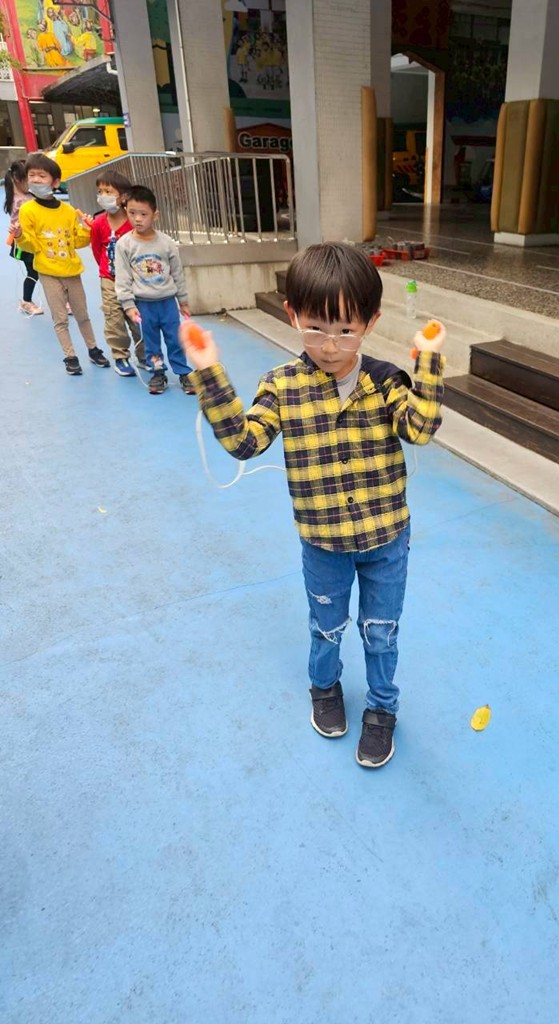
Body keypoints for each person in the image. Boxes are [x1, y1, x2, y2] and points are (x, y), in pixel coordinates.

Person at [181, 242, 446, 768]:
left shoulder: (385, 381)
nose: (329, 344)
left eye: (346, 330)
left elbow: (419, 429)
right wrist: (209, 372)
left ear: (370, 322)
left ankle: (382, 709)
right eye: (316, 328)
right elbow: (244, 443)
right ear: (293, 315)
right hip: (323, 544)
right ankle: (324, 689)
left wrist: (430, 363)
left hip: (386, 540)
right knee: (326, 627)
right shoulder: (282, 386)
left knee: (382, 632)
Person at [13, 152, 109, 375]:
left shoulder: (68, 210)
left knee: (82, 314)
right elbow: (31, 245)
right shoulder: (28, 210)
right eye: (32, 175)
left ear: (55, 182)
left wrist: (88, 228)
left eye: (42, 176)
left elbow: (77, 241)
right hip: (48, 273)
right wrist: (19, 236)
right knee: (60, 318)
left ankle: (93, 349)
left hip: (72, 271)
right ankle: (70, 356)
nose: (36, 180)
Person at [114, 185, 194, 395]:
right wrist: (128, 305)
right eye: (132, 213)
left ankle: (183, 372)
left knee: (175, 339)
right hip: (144, 305)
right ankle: (158, 373)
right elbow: (122, 277)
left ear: (155, 215)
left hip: (168, 303)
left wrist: (183, 301)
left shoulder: (166, 243)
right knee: (151, 343)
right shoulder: (124, 245)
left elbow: (177, 273)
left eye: (143, 214)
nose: (137, 219)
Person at [89, 169, 146, 376]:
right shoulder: (98, 223)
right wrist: (107, 270)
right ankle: (120, 356)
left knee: (139, 318)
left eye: (108, 191)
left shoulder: (133, 222)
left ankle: (144, 355)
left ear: (123, 197)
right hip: (109, 279)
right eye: (100, 191)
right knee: (114, 319)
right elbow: (97, 250)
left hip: (135, 280)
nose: (103, 196)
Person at [3, 160, 44, 316]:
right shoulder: (17, 200)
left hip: (38, 238)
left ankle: (63, 301)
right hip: (24, 241)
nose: (31, 182)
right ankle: (26, 302)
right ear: (17, 179)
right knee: (33, 272)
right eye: (28, 179)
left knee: (50, 270)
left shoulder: (29, 195)